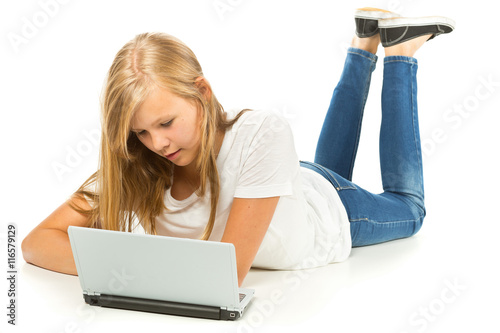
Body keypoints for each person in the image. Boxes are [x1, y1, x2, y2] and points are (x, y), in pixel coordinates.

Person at [22, 8, 455, 286]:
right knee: (324, 168)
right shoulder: (138, 163)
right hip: (277, 186)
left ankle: (400, 52)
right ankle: (364, 41)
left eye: (166, 123)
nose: (157, 144)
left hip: (327, 210)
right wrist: (132, 269)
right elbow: (36, 242)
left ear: (202, 92)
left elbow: (223, 273)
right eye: (141, 134)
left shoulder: (264, 132)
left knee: (409, 208)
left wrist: (122, 267)